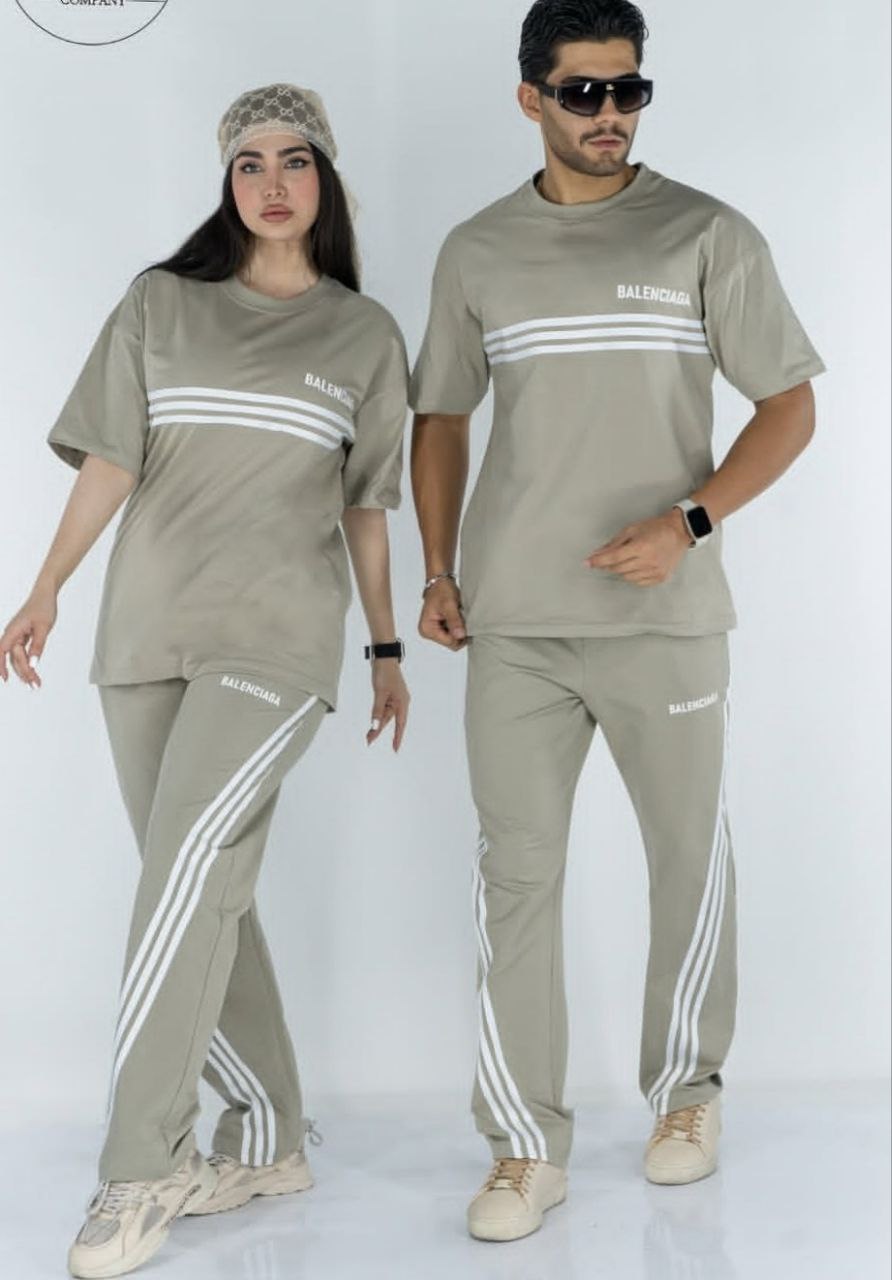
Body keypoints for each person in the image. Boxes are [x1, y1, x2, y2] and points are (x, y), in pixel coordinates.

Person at [409, 0, 825, 1244]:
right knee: (514, 874)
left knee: (685, 857)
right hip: (517, 621)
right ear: (529, 97)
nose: (608, 114)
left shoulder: (705, 232)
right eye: (582, 91)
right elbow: (441, 417)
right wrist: (437, 570)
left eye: (627, 89)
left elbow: (789, 407)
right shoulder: (477, 250)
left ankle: (687, 1094)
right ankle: (523, 1144)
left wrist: (688, 521)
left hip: (664, 618)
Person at [0, 82, 410, 1279]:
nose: (272, 183)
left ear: (326, 178)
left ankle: (143, 1164)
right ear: (226, 182)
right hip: (144, 635)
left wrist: (384, 647)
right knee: (200, 883)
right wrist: (45, 586)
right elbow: (110, 462)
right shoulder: (159, 304)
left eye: (295, 160)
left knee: (184, 874)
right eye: (249, 163)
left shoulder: (362, 334)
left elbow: (366, 507)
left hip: (277, 640)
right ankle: (271, 1135)